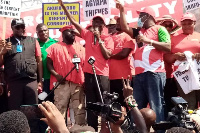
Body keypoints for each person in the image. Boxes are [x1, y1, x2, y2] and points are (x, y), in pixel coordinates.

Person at [57, 0, 114, 131]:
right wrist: (63, 6)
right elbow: (73, 21)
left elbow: (107, 56)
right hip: (89, 73)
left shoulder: (108, 38)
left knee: (104, 104)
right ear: (92, 23)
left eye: (100, 22)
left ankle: (106, 129)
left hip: (102, 75)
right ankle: (92, 129)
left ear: (103, 25)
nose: (97, 24)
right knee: (91, 103)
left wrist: (99, 39)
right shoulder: (87, 34)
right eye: (95, 21)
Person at [116, 1, 171, 123]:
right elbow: (124, 27)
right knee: (136, 104)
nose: (139, 18)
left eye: (141, 16)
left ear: (149, 16)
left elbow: (168, 47)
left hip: (155, 73)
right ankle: (137, 129)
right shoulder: (138, 32)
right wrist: (122, 10)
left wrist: (149, 41)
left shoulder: (159, 29)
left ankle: (158, 130)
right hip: (140, 74)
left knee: (156, 103)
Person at [46, 25, 86, 126]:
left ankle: (79, 130)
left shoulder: (81, 48)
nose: (72, 33)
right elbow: (48, 64)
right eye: (69, 31)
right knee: (60, 110)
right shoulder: (54, 47)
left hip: (78, 84)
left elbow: (85, 66)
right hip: (61, 84)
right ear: (63, 34)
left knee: (79, 110)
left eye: (74, 32)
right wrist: (56, 75)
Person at [0, 18, 43, 110]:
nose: (20, 29)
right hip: (14, 82)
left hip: (31, 80)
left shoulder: (33, 41)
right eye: (17, 27)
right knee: (15, 109)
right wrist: (2, 52)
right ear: (12, 28)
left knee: (32, 108)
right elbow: (0, 63)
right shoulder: (5, 43)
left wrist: (40, 80)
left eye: (22, 27)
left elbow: (39, 61)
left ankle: (32, 125)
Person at [164, 12, 200, 110]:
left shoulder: (198, 36)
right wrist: (175, 56)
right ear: (181, 25)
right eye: (184, 24)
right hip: (183, 76)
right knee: (189, 104)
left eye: (190, 23)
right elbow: (166, 57)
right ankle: (190, 123)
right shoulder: (173, 39)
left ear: (194, 23)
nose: (187, 26)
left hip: (198, 73)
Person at [156, 15, 180, 115]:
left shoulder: (174, 38)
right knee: (159, 103)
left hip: (170, 75)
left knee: (171, 103)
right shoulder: (154, 37)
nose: (168, 27)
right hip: (156, 74)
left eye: (170, 25)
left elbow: (178, 26)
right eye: (165, 25)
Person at [36, 23, 58, 100]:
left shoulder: (55, 43)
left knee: (54, 101)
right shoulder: (35, 43)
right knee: (43, 100)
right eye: (40, 31)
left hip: (54, 78)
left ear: (48, 31)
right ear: (37, 33)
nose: (43, 33)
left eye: (45, 30)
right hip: (41, 80)